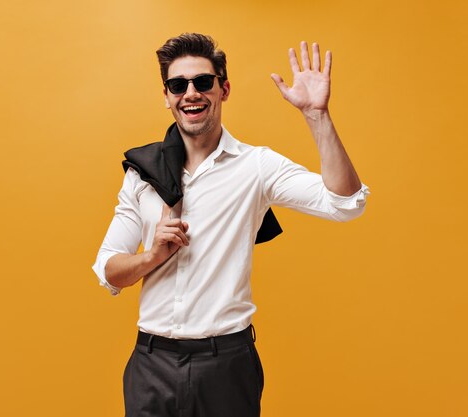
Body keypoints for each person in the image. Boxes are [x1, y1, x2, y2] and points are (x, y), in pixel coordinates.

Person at [92, 33, 369, 417]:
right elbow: (110, 270)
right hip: (151, 362)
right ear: (167, 96)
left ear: (223, 89)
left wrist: (316, 115)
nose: (191, 92)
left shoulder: (257, 166)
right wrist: (151, 256)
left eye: (203, 82)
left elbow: (345, 204)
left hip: (226, 363)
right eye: (178, 85)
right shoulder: (143, 173)